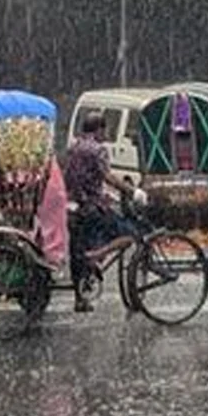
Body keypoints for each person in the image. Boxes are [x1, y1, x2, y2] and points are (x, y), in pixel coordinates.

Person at [64, 109, 146, 311]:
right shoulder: (97, 149)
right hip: (92, 207)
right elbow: (107, 176)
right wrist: (132, 191)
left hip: (73, 207)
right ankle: (98, 254)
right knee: (130, 235)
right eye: (105, 130)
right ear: (99, 129)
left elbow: (81, 179)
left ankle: (80, 299)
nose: (106, 134)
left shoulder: (74, 148)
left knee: (77, 252)